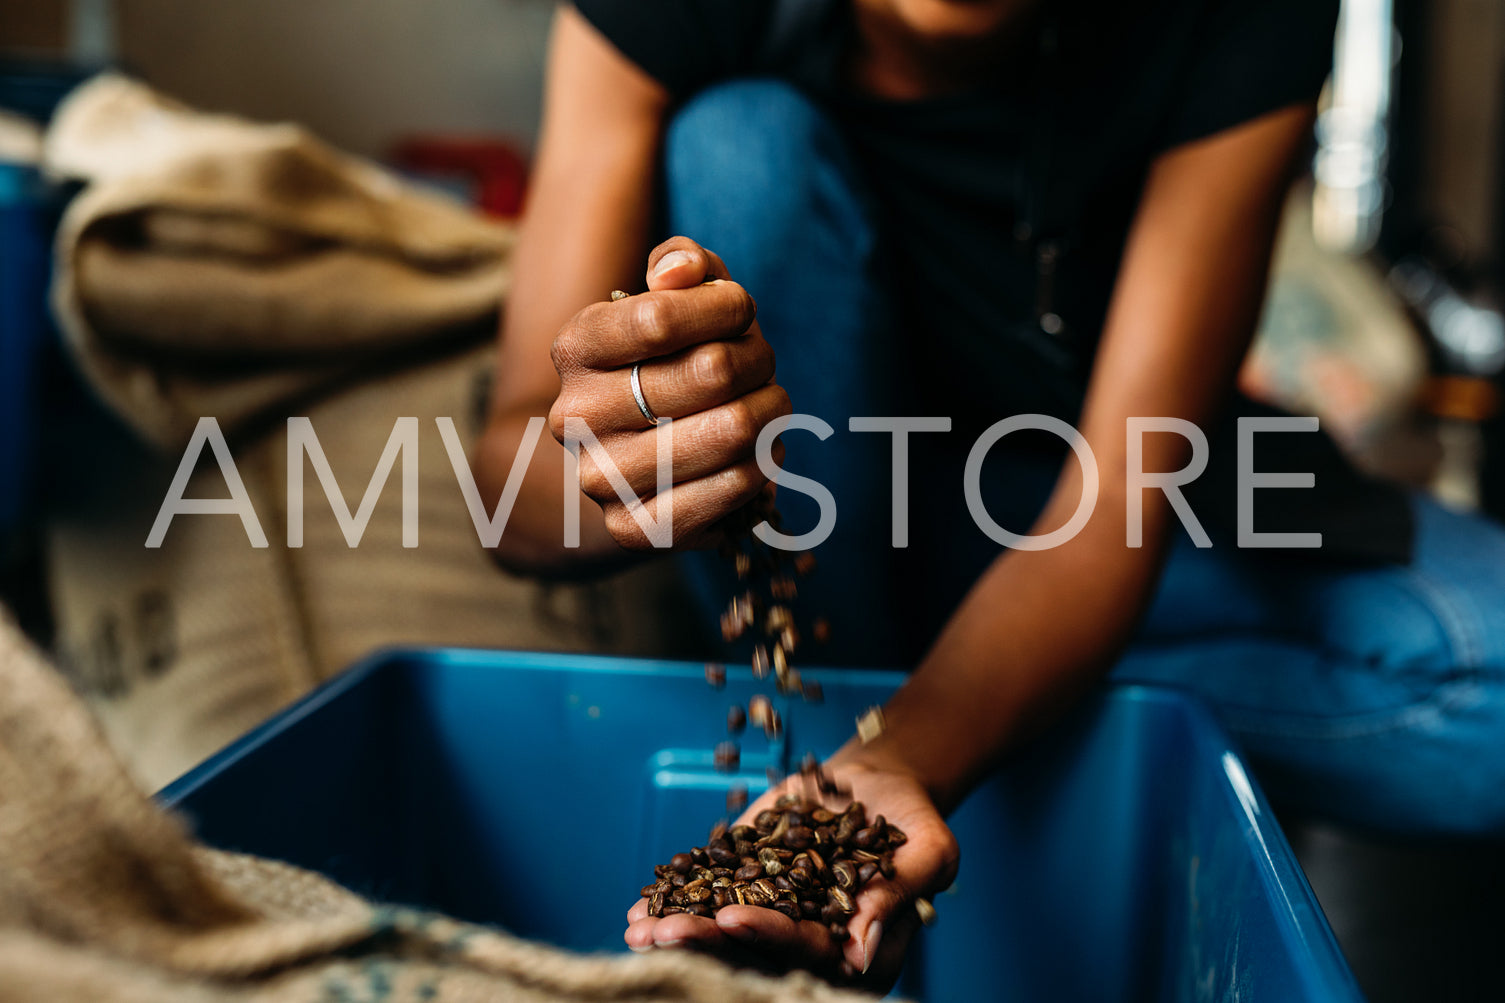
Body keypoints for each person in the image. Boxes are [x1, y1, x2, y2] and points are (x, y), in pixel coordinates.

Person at [475, 0, 1505, 989]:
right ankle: (975, 677)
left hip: (1094, 489)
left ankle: (963, 679)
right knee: (744, 140)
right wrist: (615, 476)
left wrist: (901, 755)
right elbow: (511, 477)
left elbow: (1109, 508)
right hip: (817, 532)